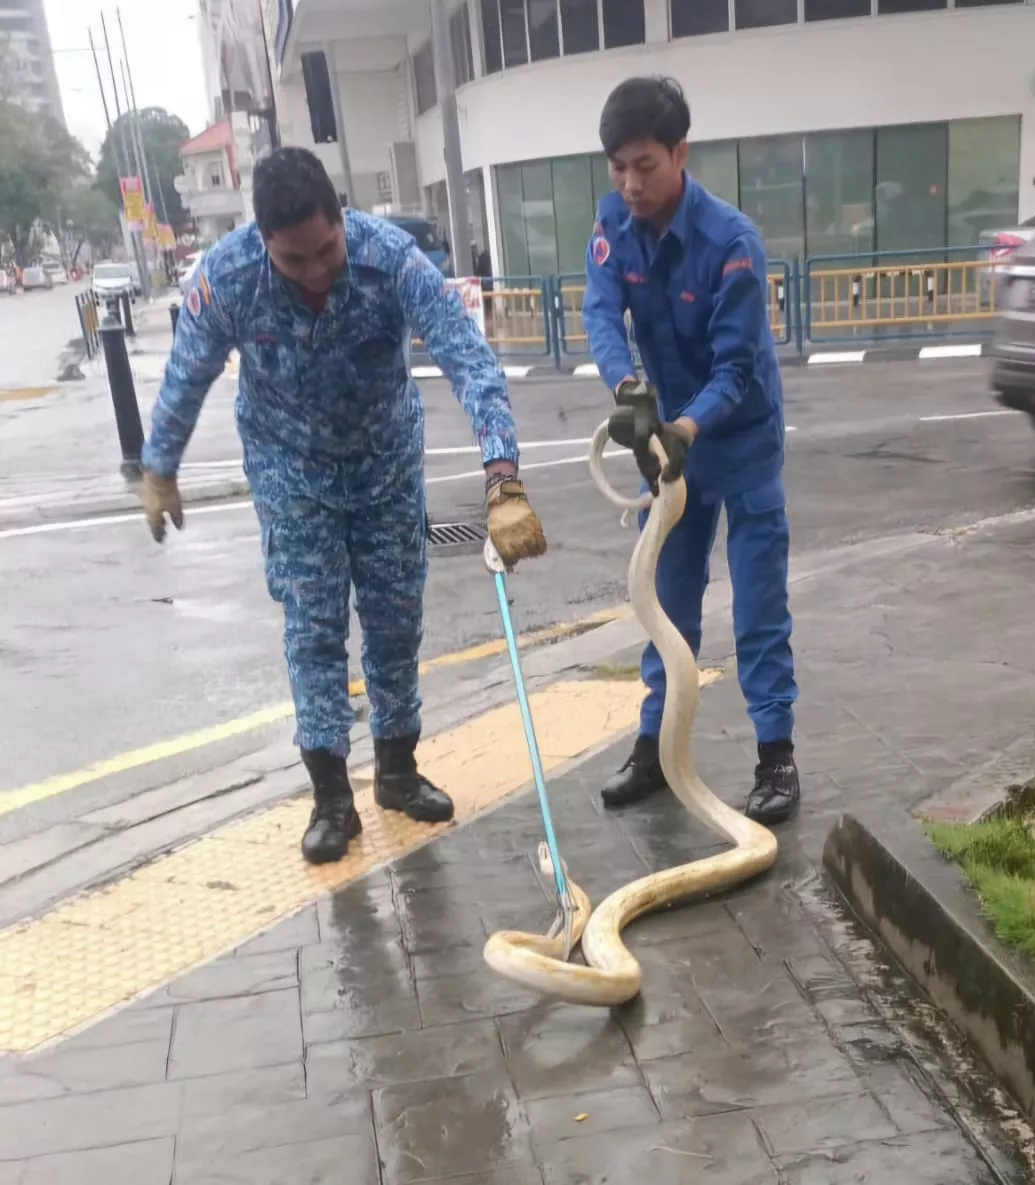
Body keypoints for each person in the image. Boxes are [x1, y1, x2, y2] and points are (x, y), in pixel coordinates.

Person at [140, 146, 547, 865]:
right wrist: (160, 466)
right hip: (289, 468)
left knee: (395, 617)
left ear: (340, 217)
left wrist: (502, 474)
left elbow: (465, 353)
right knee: (314, 626)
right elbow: (189, 368)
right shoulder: (230, 276)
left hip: (385, 461)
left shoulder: (388, 257)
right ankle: (332, 797)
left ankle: (396, 768)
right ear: (264, 240)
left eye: (325, 250)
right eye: (294, 262)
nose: (316, 272)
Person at [582, 77, 799, 826]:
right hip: (670, 437)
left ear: (680, 152)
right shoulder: (614, 223)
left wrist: (684, 429)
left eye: (644, 165)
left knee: (758, 600)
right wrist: (628, 390)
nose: (630, 184)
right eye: (618, 167)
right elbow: (601, 313)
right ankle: (655, 745)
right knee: (666, 597)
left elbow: (737, 368)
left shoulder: (731, 241)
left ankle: (776, 755)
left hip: (736, 439)